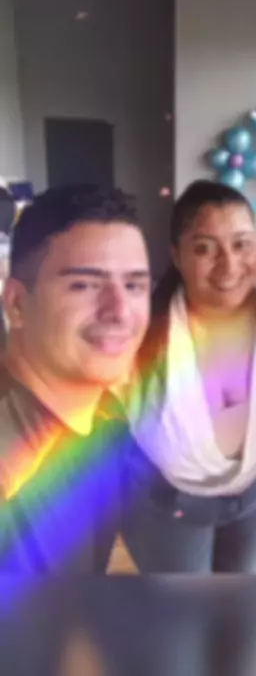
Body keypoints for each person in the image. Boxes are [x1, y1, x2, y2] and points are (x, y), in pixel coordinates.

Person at [120, 180, 256, 572]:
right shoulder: (139, 327)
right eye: (204, 248)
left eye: (242, 244)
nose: (229, 265)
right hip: (165, 503)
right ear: (176, 255)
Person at [0, 184, 151, 573]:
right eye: (83, 285)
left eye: (134, 285)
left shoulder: (106, 414)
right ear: (16, 304)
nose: (120, 311)